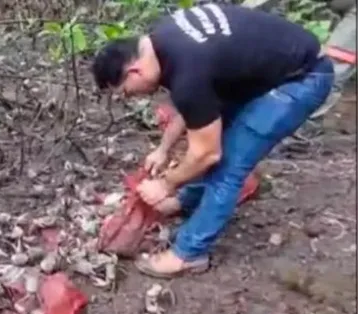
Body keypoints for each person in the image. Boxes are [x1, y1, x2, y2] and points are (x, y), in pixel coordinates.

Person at [91, 4, 334, 279]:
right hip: (266, 71)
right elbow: (192, 106)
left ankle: (188, 254)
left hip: (302, 78)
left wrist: (165, 183)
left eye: (124, 92)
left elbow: (207, 153)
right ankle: (189, 201)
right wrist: (163, 149)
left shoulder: (187, 70)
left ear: (134, 71)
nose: (129, 97)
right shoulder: (164, 42)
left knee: (228, 164)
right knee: (212, 141)